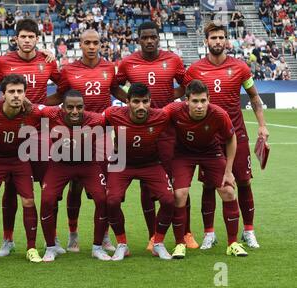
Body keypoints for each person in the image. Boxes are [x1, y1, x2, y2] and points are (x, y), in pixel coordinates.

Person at [182, 22, 269, 248]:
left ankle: (248, 231)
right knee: (209, 185)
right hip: (207, 139)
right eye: (213, 38)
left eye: (221, 37)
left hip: (237, 135)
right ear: (206, 42)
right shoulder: (193, 71)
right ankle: (209, 233)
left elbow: (254, 98)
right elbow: (186, 102)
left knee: (243, 181)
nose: (218, 41)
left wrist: (262, 125)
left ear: (227, 41)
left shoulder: (241, 68)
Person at [0, 19, 61, 258]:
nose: (27, 41)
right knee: (10, 186)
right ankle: (7, 239)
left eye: (31, 37)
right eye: (23, 37)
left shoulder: (48, 61)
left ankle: (52, 236)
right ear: (16, 38)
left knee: (48, 186)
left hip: (40, 133)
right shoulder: (3, 62)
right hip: (12, 131)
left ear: (38, 38)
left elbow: (64, 87)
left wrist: (41, 105)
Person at [45, 29, 127, 253]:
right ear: (80, 44)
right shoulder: (69, 70)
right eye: (87, 43)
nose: (92, 46)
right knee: (75, 185)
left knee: (105, 188)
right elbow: (59, 97)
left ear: (100, 44)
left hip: (101, 135)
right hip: (72, 135)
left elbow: (117, 91)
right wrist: (34, 102)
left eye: (95, 43)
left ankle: (105, 237)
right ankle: (73, 235)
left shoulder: (109, 67)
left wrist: (136, 102)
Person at [115, 21, 189, 251]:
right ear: (138, 39)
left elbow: (186, 85)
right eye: (145, 37)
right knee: (147, 186)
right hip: (139, 130)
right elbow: (113, 86)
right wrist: (129, 103)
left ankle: (185, 232)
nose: (149, 41)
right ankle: (152, 236)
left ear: (159, 38)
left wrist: (170, 96)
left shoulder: (173, 60)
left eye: (153, 37)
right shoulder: (128, 63)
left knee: (178, 184)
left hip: (167, 130)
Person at [163, 80, 248, 258]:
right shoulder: (173, 110)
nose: (199, 106)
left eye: (203, 101)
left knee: (229, 192)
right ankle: (180, 244)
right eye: (195, 101)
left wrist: (228, 170)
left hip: (211, 152)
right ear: (186, 100)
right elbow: (154, 122)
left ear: (209, 99)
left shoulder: (218, 114)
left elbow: (231, 139)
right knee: (179, 195)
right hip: (183, 154)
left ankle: (232, 243)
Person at [0, 74, 44, 264]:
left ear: (25, 94)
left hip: (19, 160)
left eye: (20, 92)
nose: (16, 95)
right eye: (11, 91)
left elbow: (57, 112)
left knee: (29, 201)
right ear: (2, 94)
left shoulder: (33, 112)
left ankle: (31, 248)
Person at [104, 83, 176, 261]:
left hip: (150, 163)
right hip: (121, 163)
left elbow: (182, 107)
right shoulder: (113, 114)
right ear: (127, 101)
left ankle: (157, 243)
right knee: (111, 201)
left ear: (151, 102)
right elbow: (92, 122)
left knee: (168, 200)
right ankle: (122, 244)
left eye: (145, 101)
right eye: (136, 101)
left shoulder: (161, 116)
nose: (141, 106)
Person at [40, 90, 111, 262]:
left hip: (88, 164)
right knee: (47, 200)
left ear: (84, 107)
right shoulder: (50, 113)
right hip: (60, 164)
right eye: (70, 107)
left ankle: (97, 247)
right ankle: (50, 247)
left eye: (79, 107)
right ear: (61, 108)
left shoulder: (96, 119)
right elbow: (30, 106)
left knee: (103, 199)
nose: (75, 111)